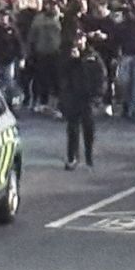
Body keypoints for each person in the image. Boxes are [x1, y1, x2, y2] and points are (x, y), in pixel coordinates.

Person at [59, 29, 106, 170]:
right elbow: (61, 73)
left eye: (81, 39)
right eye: (76, 39)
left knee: (88, 129)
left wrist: (98, 94)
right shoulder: (67, 55)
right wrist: (73, 60)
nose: (79, 42)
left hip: (88, 97)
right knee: (72, 129)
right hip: (73, 96)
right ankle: (72, 157)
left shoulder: (93, 56)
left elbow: (101, 75)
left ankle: (89, 156)